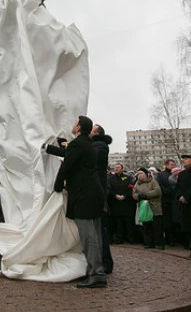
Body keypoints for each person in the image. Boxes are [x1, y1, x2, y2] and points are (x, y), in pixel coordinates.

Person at [53, 115, 107, 288]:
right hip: (94, 195)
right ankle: (98, 271)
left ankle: (97, 274)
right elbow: (70, 153)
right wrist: (51, 147)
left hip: (84, 196)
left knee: (88, 236)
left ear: (78, 128)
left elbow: (67, 165)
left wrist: (58, 185)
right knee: (95, 235)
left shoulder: (79, 144)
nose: (73, 125)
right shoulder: (86, 144)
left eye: (75, 123)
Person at [90, 124, 114, 274]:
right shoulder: (95, 145)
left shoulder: (101, 145)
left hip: (97, 192)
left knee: (100, 229)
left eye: (92, 129)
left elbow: (92, 157)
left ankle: (106, 262)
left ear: (97, 133)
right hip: (96, 190)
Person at [133, 168, 164, 249]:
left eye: (141, 173)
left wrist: (146, 195)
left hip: (154, 206)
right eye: (138, 174)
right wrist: (138, 196)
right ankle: (149, 243)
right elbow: (134, 193)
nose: (139, 175)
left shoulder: (152, 181)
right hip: (143, 207)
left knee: (157, 226)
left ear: (147, 174)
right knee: (146, 226)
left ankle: (159, 243)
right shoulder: (137, 183)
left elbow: (158, 191)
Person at [108, 162, 136, 244]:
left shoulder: (128, 178)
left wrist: (125, 196)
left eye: (118, 167)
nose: (116, 169)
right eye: (115, 167)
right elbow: (109, 189)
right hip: (116, 203)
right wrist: (115, 195)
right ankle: (119, 238)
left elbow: (131, 188)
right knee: (118, 223)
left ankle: (131, 238)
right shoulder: (111, 178)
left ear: (122, 169)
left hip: (127, 203)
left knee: (128, 223)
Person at [156, 159, 177, 246]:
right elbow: (160, 186)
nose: (173, 166)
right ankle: (170, 239)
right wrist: (169, 192)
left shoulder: (176, 174)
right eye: (171, 165)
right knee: (167, 222)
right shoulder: (161, 175)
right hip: (166, 201)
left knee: (175, 221)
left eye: (174, 165)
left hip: (176, 200)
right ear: (166, 165)